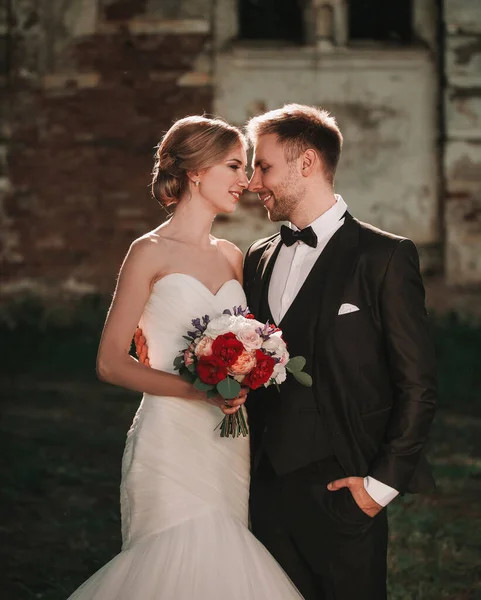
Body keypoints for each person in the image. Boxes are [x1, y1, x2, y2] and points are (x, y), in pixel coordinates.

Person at [65, 115, 302, 600]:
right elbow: (111, 362)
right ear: (196, 171)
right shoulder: (148, 252)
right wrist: (199, 389)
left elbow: (258, 340)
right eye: (235, 166)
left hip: (227, 442)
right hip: (169, 438)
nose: (245, 180)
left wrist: (248, 373)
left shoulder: (234, 256)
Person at [243, 104, 437, 600]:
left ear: (306, 163)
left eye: (263, 166)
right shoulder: (258, 258)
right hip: (261, 490)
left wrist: (379, 489)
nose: (252, 181)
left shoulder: (384, 257)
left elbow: (417, 385)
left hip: (344, 489)